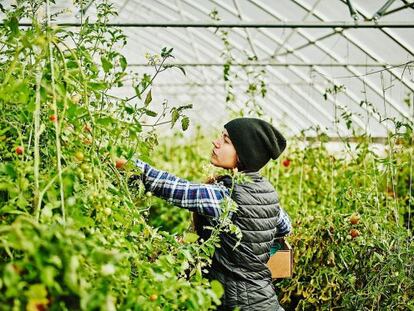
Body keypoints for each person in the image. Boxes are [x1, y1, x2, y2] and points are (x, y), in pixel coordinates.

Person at [133, 117, 292, 311]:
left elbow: (176, 189)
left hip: (239, 304)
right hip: (265, 302)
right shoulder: (266, 191)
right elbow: (285, 226)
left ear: (245, 153)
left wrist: (126, 164)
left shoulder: (229, 197)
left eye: (226, 140)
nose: (216, 142)